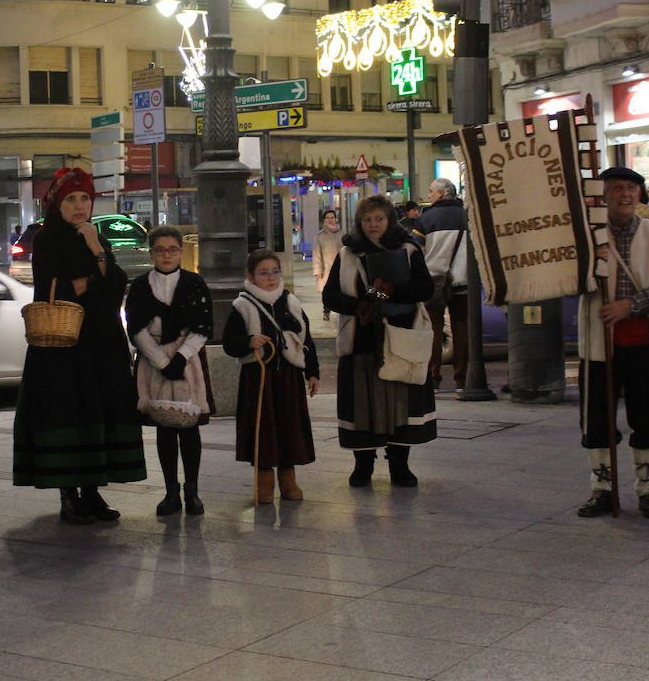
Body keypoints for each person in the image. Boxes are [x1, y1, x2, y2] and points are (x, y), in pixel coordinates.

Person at [12, 168, 146, 522]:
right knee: (67, 411)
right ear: (58, 203)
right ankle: (67, 493)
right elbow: (53, 289)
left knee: (99, 411)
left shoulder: (96, 236)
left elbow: (116, 283)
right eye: (71, 198)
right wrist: (93, 280)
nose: (79, 206)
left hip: (101, 340)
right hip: (63, 345)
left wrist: (95, 249)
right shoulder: (47, 239)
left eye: (84, 198)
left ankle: (93, 491)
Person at [576, 167, 649, 520]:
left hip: (644, 342)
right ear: (604, 194)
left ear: (640, 193)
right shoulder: (588, 238)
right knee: (597, 418)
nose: (624, 194)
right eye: (616, 188)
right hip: (598, 344)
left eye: (630, 188)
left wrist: (631, 305)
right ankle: (602, 487)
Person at [323, 195, 436, 487]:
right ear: (360, 223)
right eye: (368, 220)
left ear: (390, 220)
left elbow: (425, 288)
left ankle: (400, 465)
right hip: (361, 340)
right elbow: (331, 295)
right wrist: (359, 304)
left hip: (400, 336)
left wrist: (389, 293)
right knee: (362, 404)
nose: (373, 225)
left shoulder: (409, 249)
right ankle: (363, 465)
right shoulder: (348, 253)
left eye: (379, 219)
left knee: (401, 402)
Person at [126, 225, 214, 516]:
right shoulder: (140, 286)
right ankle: (170, 492)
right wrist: (162, 362)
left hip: (187, 363)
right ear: (152, 253)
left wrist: (181, 357)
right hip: (153, 364)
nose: (166, 255)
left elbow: (203, 327)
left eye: (172, 249)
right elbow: (136, 328)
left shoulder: (194, 283)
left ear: (181, 252)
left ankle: (193, 491)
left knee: (189, 428)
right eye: (160, 250)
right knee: (164, 428)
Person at [222, 249, 318, 502]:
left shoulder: (291, 302)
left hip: (288, 378)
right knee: (262, 431)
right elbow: (229, 343)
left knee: (289, 429)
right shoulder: (242, 306)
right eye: (263, 273)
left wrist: (312, 372)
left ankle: (288, 482)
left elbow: (306, 340)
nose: (271, 278)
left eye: (275, 272)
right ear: (251, 276)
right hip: (259, 380)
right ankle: (263, 484)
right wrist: (249, 341)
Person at [418, 178, 469, 393]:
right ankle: (461, 379)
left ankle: (434, 377)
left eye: (431, 192)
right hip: (462, 281)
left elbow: (418, 251)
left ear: (440, 194)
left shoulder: (426, 218)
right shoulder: (467, 216)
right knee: (461, 329)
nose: (429, 196)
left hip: (434, 282)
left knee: (434, 331)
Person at [312, 209, 342, 320]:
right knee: (326, 292)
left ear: (335, 219)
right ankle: (326, 311)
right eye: (328, 218)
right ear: (324, 220)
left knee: (340, 290)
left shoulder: (341, 234)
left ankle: (340, 311)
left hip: (340, 268)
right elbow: (317, 255)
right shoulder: (319, 236)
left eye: (332, 217)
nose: (330, 220)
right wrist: (318, 272)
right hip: (326, 269)